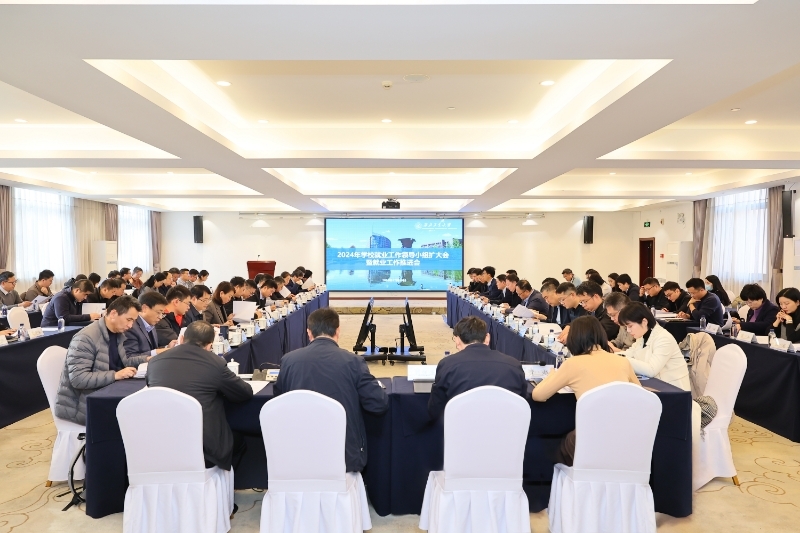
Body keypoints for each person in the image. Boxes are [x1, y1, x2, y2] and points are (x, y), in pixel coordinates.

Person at [275, 308, 388, 473]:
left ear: (309, 332)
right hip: (343, 457)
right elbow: (378, 404)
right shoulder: (353, 361)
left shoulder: (289, 360)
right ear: (338, 331)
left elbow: (279, 403)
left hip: (299, 455)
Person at [146, 321, 253, 475]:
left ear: (182, 339)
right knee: (239, 441)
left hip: (160, 442)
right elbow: (244, 393)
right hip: (203, 448)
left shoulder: (155, 362)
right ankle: (221, 485)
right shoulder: (215, 363)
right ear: (210, 346)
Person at [532, 316, 641, 466]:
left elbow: (538, 395)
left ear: (573, 339)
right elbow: (640, 396)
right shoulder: (623, 362)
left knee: (551, 446)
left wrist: (551, 375)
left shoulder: (573, 363)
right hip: (628, 439)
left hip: (592, 439)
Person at [54, 296, 149, 425]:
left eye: (133, 321)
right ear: (113, 314)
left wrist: (147, 358)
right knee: (137, 416)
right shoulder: (85, 338)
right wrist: (115, 375)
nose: (131, 326)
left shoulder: (117, 333)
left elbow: (123, 363)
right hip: (83, 406)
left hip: (106, 391)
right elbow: (78, 379)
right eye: (129, 320)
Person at [429, 316, 527, 419]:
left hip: (461, 426)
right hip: (505, 426)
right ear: (487, 338)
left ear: (457, 340)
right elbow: (522, 404)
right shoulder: (514, 365)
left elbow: (435, 410)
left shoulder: (447, 365)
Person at [619, 303, 690, 391]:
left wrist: (623, 359)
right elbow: (631, 352)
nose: (628, 330)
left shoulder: (663, 338)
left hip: (674, 390)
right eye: (626, 327)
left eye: (630, 326)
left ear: (644, 322)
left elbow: (651, 370)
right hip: (657, 385)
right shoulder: (643, 336)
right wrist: (611, 356)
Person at [124, 291, 174, 359]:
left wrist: (167, 347)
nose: (160, 317)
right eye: (158, 312)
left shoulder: (151, 324)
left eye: (162, 313)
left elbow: (152, 349)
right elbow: (130, 357)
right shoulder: (131, 327)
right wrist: (155, 352)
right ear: (144, 308)